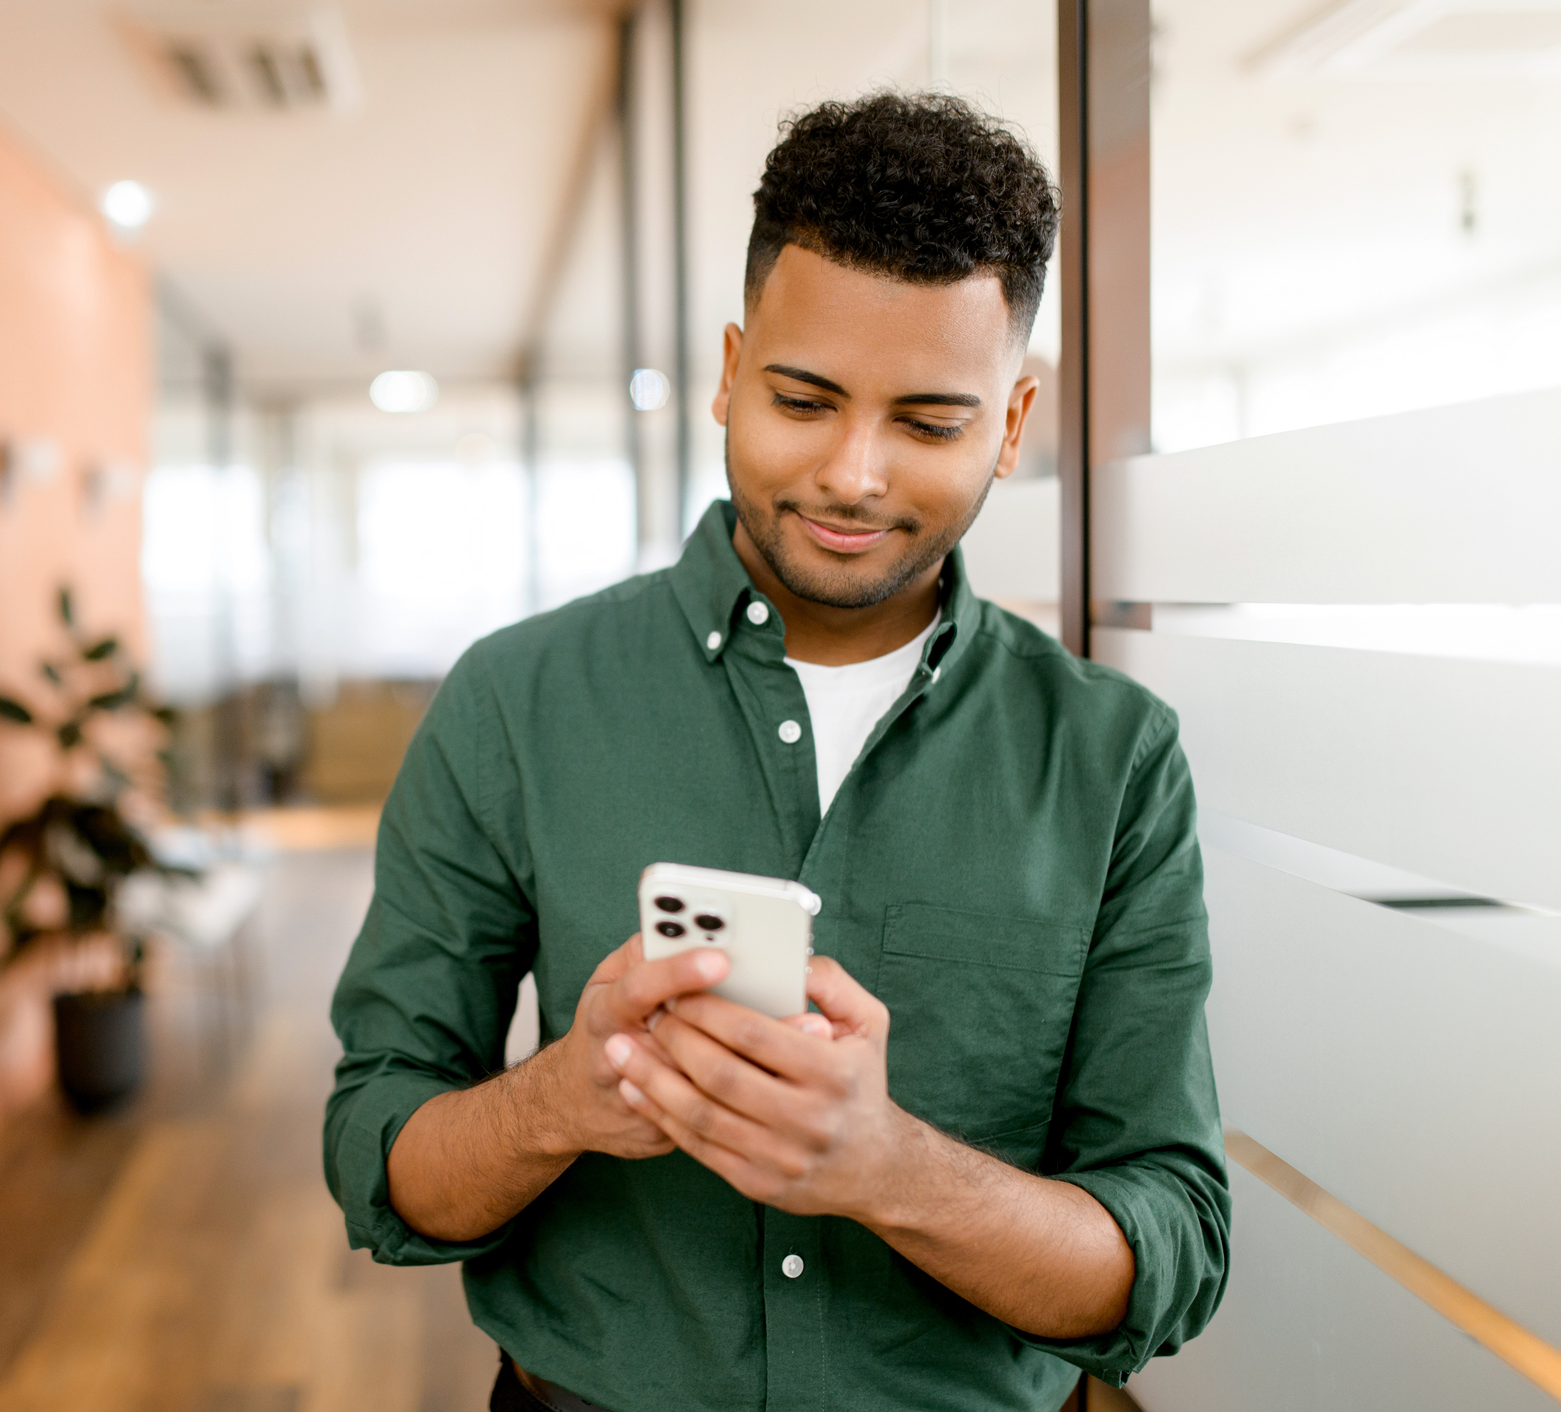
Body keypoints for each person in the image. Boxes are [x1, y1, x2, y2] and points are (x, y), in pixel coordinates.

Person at [325, 92, 1228, 1412]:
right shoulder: (516, 702)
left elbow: (1167, 1256)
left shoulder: (1112, 759)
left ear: (1015, 422)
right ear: (733, 371)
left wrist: (884, 1168)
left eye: (927, 422)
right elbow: (377, 1158)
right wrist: (566, 1099)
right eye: (804, 399)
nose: (855, 476)